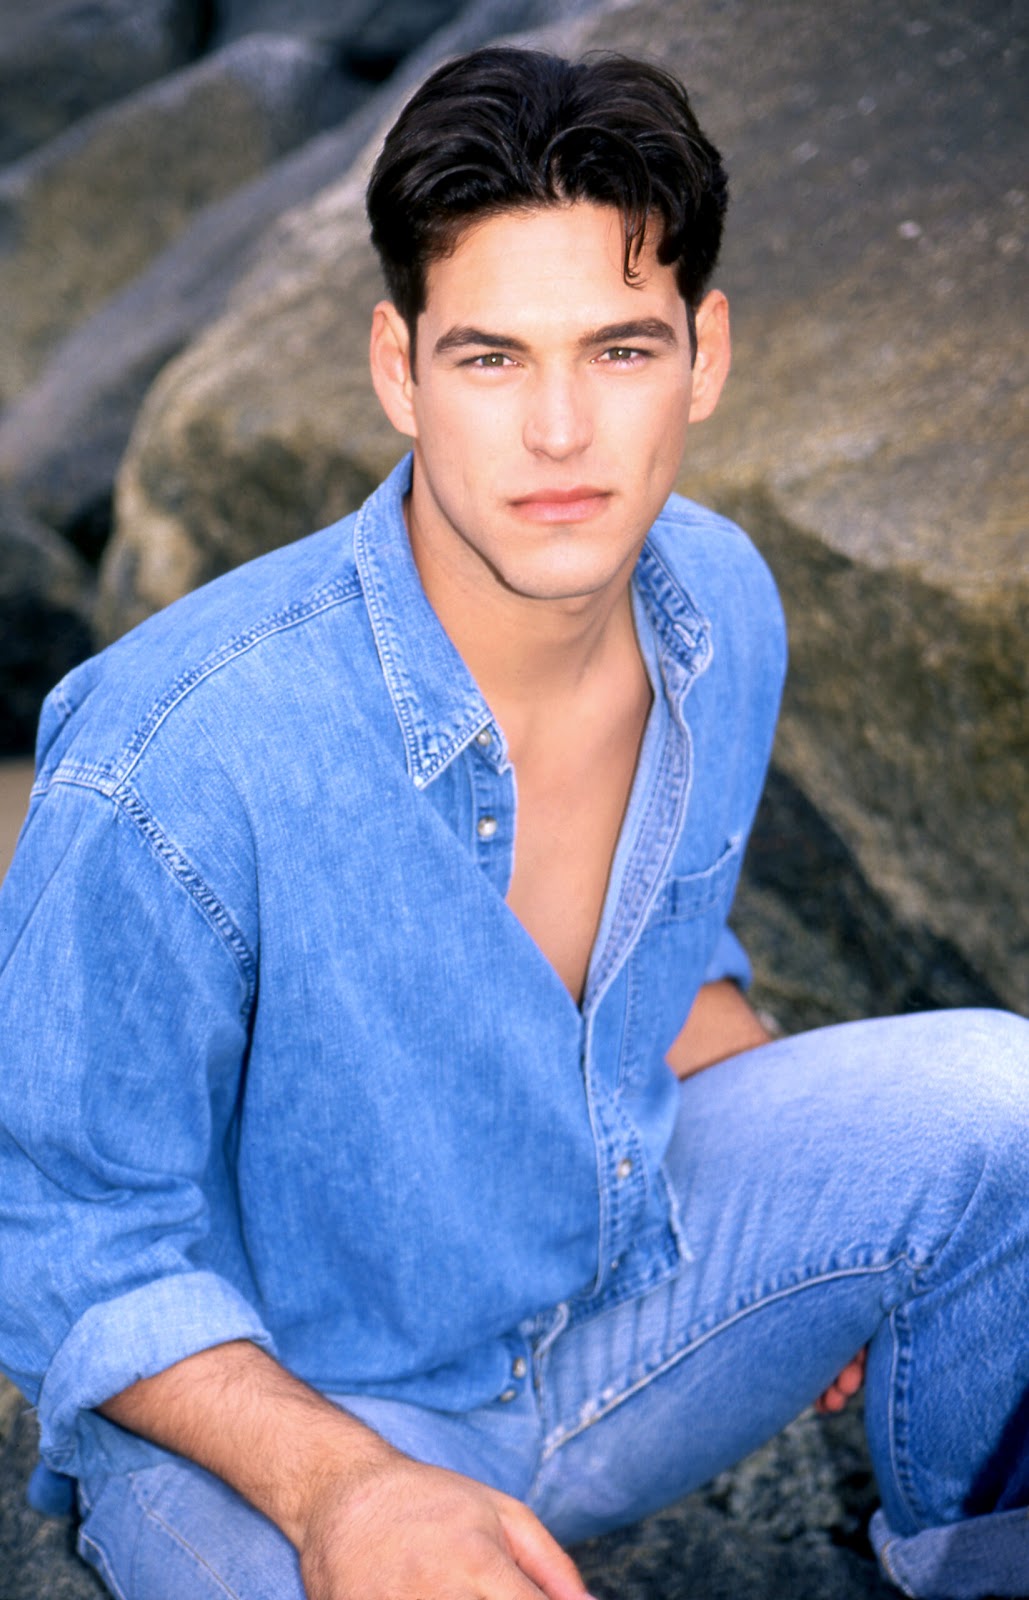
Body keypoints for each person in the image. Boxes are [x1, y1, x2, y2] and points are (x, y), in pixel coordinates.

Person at [0, 44, 1026, 1600]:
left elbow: (665, 941)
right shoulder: (177, 747)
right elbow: (59, 1229)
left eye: (618, 350)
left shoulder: (719, 607)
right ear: (396, 367)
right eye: (490, 359)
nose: (560, 433)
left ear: (706, 355)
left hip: (599, 1305)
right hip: (277, 1423)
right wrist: (355, 1491)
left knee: (1003, 1109)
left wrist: (799, 1200)